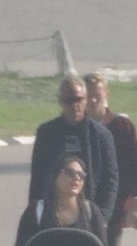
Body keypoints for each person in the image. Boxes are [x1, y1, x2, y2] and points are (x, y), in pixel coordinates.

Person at [85, 72, 137, 246]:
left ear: (106, 94)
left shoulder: (121, 127)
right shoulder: (77, 126)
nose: (93, 100)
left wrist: (130, 205)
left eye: (97, 95)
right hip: (78, 210)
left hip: (112, 212)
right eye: (88, 96)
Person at [28, 76, 119, 224]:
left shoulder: (101, 135)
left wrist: (102, 217)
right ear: (60, 101)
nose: (74, 105)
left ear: (85, 100)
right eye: (68, 100)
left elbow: (110, 179)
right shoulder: (46, 132)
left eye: (78, 99)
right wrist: (34, 214)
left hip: (89, 213)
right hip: (53, 213)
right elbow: (37, 177)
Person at [13, 153, 109, 246]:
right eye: (70, 173)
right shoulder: (36, 211)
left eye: (81, 175)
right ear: (55, 177)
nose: (76, 178)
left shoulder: (91, 211)